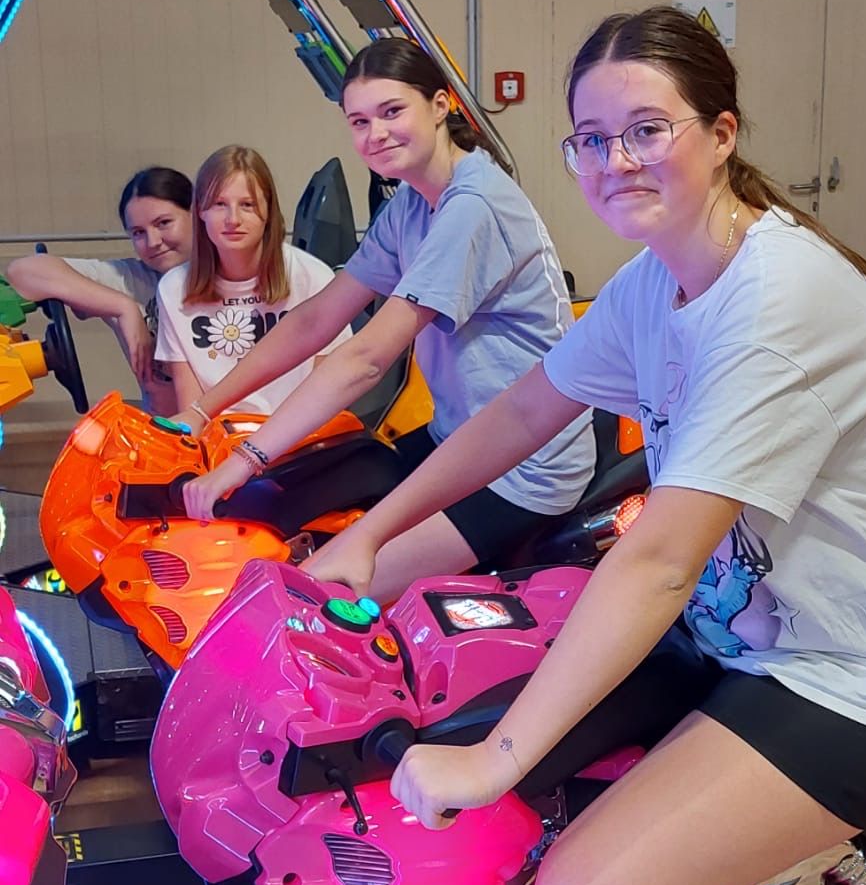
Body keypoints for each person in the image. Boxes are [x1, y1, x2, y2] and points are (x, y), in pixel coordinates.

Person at [311, 5, 866, 885]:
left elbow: (653, 559)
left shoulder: (776, 299)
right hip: (743, 624)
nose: (612, 160)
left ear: (719, 132)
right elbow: (528, 408)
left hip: (864, 668)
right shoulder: (657, 282)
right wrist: (368, 537)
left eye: (644, 129)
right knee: (472, 727)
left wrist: (497, 755)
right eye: (589, 138)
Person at [178, 42, 595, 599]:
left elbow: (367, 358)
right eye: (359, 121)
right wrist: (202, 410)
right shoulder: (412, 202)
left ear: (441, 105)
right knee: (288, 512)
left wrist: (244, 459)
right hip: (459, 437)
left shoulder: (473, 206)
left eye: (392, 111)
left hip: (525, 466)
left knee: (309, 594)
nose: (375, 133)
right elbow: (316, 319)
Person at [155, 144, 349, 419]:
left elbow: (328, 393)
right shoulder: (173, 288)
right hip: (217, 433)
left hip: (297, 432)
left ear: (269, 210)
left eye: (247, 205)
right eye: (219, 204)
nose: (233, 219)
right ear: (200, 211)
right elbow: (191, 409)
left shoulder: (313, 277)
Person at [6, 166, 193, 412]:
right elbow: (23, 272)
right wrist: (124, 307)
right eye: (138, 233)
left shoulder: (231, 277)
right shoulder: (130, 279)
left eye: (164, 223)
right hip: (162, 427)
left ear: (196, 214)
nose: (153, 242)